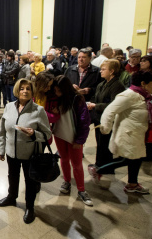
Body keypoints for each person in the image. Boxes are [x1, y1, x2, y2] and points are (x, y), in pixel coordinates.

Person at [88, 72, 152, 194]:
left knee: (135, 158)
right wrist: (105, 128)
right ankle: (99, 170)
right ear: (143, 84)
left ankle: (132, 184)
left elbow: (149, 108)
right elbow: (109, 110)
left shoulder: (146, 95)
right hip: (129, 133)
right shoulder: (128, 95)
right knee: (130, 158)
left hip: (138, 133)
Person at [0, 78, 51, 224]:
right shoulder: (8, 107)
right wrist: (1, 149)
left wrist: (34, 134)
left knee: (30, 181)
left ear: (32, 92)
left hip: (30, 154)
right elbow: (2, 131)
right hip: (11, 152)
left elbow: (48, 135)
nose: (25, 91)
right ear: (17, 91)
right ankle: (11, 197)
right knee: (12, 176)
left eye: (28, 88)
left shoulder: (38, 110)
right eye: (22, 88)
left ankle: (30, 207)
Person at [49, 75, 92, 206]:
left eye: (59, 90)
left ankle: (81, 190)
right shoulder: (56, 98)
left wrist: (79, 140)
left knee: (77, 164)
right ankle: (67, 182)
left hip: (74, 138)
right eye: (55, 90)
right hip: (59, 135)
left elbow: (85, 121)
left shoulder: (77, 99)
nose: (57, 93)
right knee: (64, 159)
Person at [87, 59, 125, 175]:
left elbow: (115, 104)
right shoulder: (102, 84)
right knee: (100, 143)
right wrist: (90, 103)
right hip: (99, 118)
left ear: (112, 71)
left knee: (106, 145)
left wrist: (96, 106)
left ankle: (106, 167)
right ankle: (99, 164)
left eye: (104, 69)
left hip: (109, 119)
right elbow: (95, 97)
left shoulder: (117, 85)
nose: (100, 72)